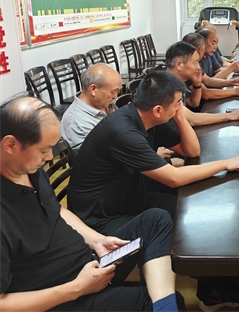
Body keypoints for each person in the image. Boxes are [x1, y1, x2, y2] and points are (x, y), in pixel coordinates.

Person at [0, 96, 181, 312]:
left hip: (89, 265)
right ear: (10, 145)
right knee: (157, 302)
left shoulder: (29, 170)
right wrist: (77, 288)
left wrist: (97, 241)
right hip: (64, 297)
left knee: (156, 219)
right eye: (43, 150)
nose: (49, 157)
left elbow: (56, 211)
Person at [68, 71, 239, 230]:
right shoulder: (124, 132)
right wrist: (224, 164)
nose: (179, 107)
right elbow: (174, 178)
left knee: (190, 205)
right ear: (158, 110)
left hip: (131, 196)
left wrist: (180, 117)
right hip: (101, 216)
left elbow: (192, 151)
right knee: (178, 216)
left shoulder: (150, 118)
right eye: (177, 103)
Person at [166, 41, 239, 126]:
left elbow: (194, 104)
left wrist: (197, 84)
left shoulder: (177, 81)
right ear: (179, 65)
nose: (198, 67)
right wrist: (230, 116)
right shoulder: (167, 87)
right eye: (195, 62)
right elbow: (192, 119)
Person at [60, 63, 122, 151]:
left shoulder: (104, 103)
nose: (115, 96)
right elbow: (95, 156)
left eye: (117, 91)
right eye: (113, 92)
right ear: (93, 89)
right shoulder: (77, 123)